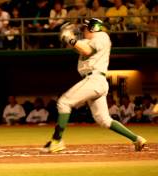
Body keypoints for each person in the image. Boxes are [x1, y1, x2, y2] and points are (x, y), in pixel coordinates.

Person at [42, 18, 147, 153]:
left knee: (64, 102)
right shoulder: (89, 40)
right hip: (96, 81)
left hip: (94, 79)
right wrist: (69, 38)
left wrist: (70, 39)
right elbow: (80, 47)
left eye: (85, 28)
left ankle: (56, 141)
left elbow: (87, 51)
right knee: (103, 120)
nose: (83, 31)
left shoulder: (101, 36)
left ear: (94, 28)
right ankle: (137, 138)